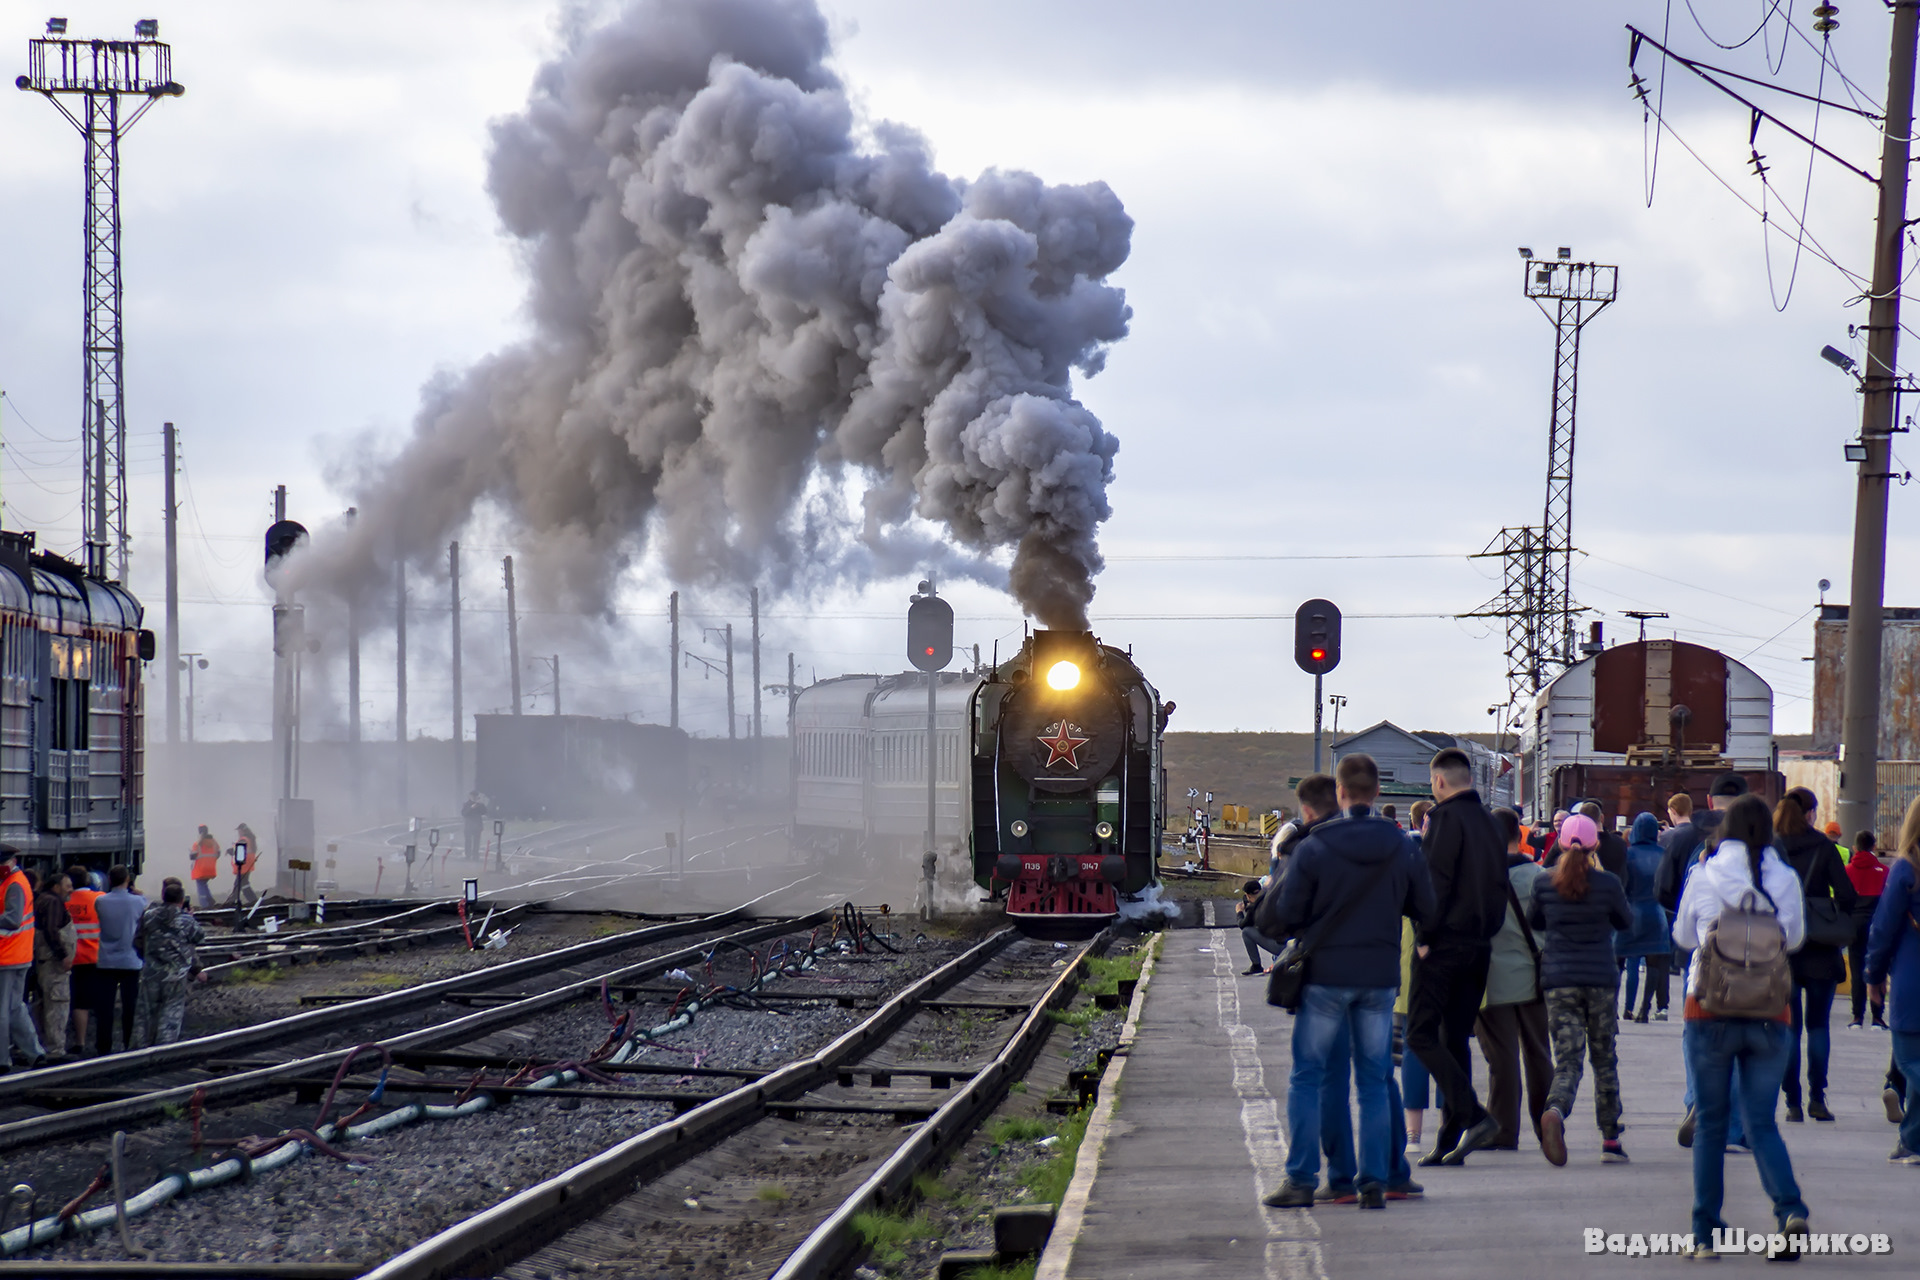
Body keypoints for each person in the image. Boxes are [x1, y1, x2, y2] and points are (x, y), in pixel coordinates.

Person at [1259, 753, 1435, 1210]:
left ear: (1340, 793)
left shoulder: (1315, 846)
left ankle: (1309, 1179)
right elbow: (1426, 908)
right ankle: (1374, 1179)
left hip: (1325, 978)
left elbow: (1286, 913)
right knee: (1375, 1078)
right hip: (1379, 978)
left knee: (1312, 1076)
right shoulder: (1403, 845)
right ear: (1377, 793)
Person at [1672, 792, 1810, 1259]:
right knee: (1762, 1123)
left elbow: (1683, 936)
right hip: (1771, 1011)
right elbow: (1793, 939)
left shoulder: (1705, 872)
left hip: (1708, 1008)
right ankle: (1790, 1209)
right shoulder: (1785, 878)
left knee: (1711, 1124)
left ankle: (1705, 1235)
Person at [1406, 746, 1508, 1166]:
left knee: (1420, 1033)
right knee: (1455, 1038)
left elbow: (1436, 881)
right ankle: (1450, 1137)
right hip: (1480, 945)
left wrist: (1424, 935)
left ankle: (1473, 1115)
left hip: (1443, 944)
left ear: (1439, 782)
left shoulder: (1444, 820)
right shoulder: (1490, 822)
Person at [1529, 813, 1633, 1165]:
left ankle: (1555, 1111)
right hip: (1600, 980)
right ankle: (1610, 1138)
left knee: (1568, 1060)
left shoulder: (1544, 883)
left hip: (1559, 981)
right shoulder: (1608, 884)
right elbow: (1625, 921)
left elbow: (1535, 921)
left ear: (1559, 842)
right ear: (1596, 845)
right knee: (1604, 1058)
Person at [1773, 789, 1855, 1124]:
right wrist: (1830, 911)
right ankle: (1817, 1099)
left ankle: (1792, 1102)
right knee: (1818, 1025)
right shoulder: (1824, 846)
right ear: (1810, 813)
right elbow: (1848, 895)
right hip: (1820, 947)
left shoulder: (1771, 847)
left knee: (1789, 1027)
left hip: (1784, 948)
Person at [1474, 806, 1551, 1150]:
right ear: (1518, 833)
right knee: (1539, 1052)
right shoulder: (1540, 876)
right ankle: (1546, 1122)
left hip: (1492, 979)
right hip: (1536, 975)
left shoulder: (1478, 879)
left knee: (1502, 1057)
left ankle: (1504, 1129)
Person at [1865, 796, 1920, 1164]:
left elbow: (1883, 928)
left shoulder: (1907, 869)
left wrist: (1872, 975)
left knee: (1908, 1059)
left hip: (1912, 978)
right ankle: (1912, 1139)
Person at [133, 879, 204, 1048]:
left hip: (151, 972)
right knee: (171, 1012)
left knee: (145, 1013)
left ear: (163, 897)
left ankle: (139, 1047)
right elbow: (198, 937)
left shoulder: (149, 916)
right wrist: (190, 917)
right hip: (176, 975)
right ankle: (164, 1047)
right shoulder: (186, 920)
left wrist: (147, 957)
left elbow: (137, 940)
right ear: (181, 900)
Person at [1617, 812, 1673, 1022]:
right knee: (1654, 963)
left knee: (1619, 962)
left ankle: (1617, 1006)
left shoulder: (1627, 854)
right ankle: (1645, 1009)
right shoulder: (1664, 854)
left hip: (1631, 911)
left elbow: (1622, 884)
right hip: (1656, 914)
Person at [92, 865, 147, 1055]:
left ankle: (103, 1045)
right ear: (128, 880)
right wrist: (139, 894)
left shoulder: (100, 901)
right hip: (131, 959)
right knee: (130, 1004)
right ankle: (128, 1041)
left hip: (106, 959)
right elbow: (144, 914)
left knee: (104, 1006)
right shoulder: (138, 901)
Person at [0, 846, 46, 1071]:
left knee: (2, 1010)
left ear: (12, 861)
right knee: (15, 1007)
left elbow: (12, 919)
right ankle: (35, 1054)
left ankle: (1, 1061)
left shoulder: (14, 884)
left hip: (6, 956)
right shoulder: (14, 881)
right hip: (17, 954)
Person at [1846, 829, 1890, 1029]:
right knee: (1877, 969)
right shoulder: (1884, 871)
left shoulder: (1847, 871)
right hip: (1876, 927)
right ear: (1874, 847)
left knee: (1856, 971)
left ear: (1855, 848)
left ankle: (1857, 1017)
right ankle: (1878, 1018)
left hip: (1854, 926)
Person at [32, 871, 73, 1058]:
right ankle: (55, 1049)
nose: (70, 890)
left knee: (44, 1004)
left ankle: (43, 1045)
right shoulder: (54, 902)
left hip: (44, 962)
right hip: (53, 963)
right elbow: (51, 930)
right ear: (56, 886)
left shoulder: (43, 899)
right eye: (67, 886)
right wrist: (63, 954)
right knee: (57, 1004)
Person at [64, 865, 100, 1054]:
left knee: (70, 1000)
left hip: (68, 958)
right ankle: (84, 1040)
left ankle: (75, 1042)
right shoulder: (99, 899)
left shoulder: (64, 901)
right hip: (93, 956)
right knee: (86, 1002)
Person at [1238, 880, 1283, 975]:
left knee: (1246, 932)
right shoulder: (1272, 897)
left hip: (1280, 947)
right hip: (1294, 943)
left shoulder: (1254, 907)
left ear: (1248, 895)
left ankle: (1256, 965)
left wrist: (1239, 912)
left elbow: (1243, 925)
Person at [189, 824, 221, 909]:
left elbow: (193, 856)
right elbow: (218, 853)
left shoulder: (197, 844)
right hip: (211, 869)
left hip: (201, 869)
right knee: (204, 884)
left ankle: (205, 905)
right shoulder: (214, 842)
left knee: (200, 886)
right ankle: (210, 900)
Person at [227, 823, 259, 907]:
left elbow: (239, 851)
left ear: (242, 830)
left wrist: (230, 851)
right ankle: (253, 901)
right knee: (244, 884)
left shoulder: (243, 839)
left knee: (238, 885)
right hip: (248, 864)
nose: (238, 832)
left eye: (239, 830)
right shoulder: (250, 839)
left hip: (243, 865)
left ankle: (231, 902)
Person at [462, 792, 488, 861]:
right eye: (472, 796)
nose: (474, 797)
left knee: (476, 842)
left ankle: (475, 856)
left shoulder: (480, 805)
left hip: (477, 826)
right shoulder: (466, 804)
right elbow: (464, 813)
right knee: (468, 841)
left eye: (475, 796)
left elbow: (484, 812)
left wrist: (481, 804)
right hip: (468, 826)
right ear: (470, 796)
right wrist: (471, 808)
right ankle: (468, 855)